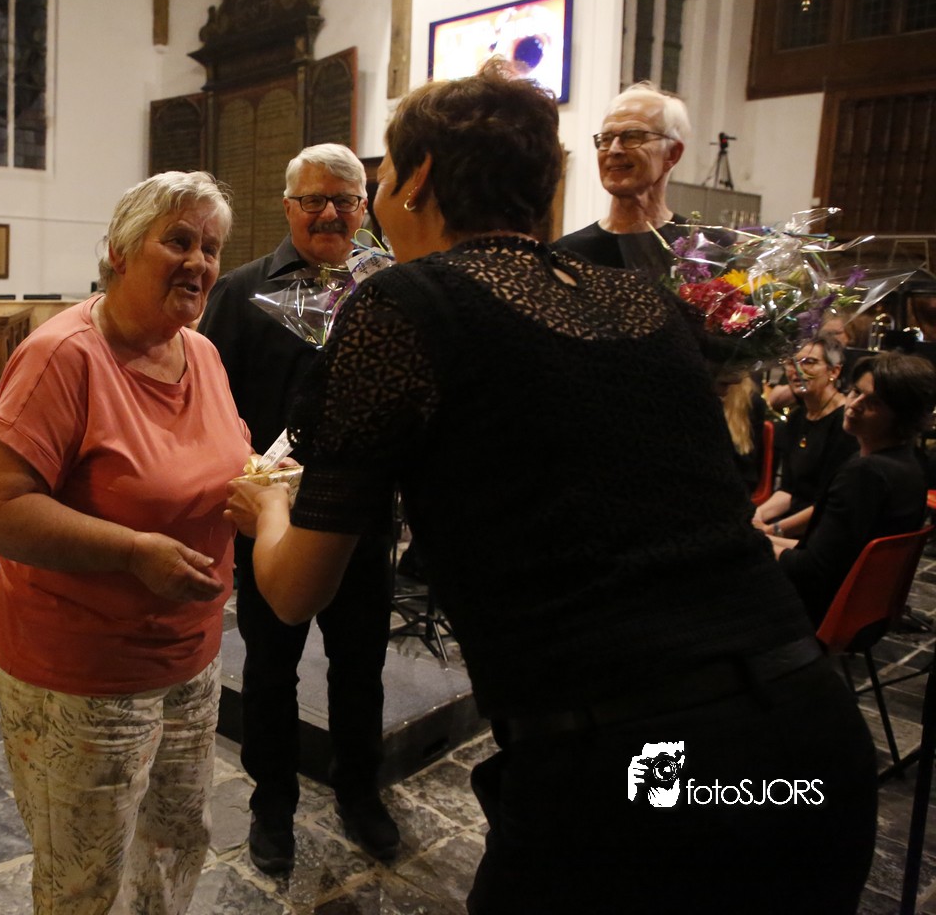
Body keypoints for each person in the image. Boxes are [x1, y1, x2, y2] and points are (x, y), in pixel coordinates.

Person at [226, 66, 877, 913]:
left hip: (632, 770)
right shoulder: (645, 303)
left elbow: (294, 589)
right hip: (808, 729)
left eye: (381, 173)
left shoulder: (403, 304)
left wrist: (269, 505)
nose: (375, 194)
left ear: (419, 177)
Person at [0, 171, 249, 915]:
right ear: (120, 251)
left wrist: (261, 488)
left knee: (175, 843)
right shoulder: (65, 355)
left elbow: (220, 459)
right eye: (178, 241)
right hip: (84, 672)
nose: (199, 262)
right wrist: (131, 551)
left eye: (211, 248)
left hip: (189, 654)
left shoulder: (201, 353)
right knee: (84, 878)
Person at [198, 142, 399, 873]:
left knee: (360, 664)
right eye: (314, 199)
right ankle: (272, 804)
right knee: (270, 668)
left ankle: (359, 791)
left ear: (364, 207)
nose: (329, 213)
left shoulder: (389, 288)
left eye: (345, 199)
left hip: (361, 518)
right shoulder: (243, 291)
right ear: (288, 206)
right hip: (271, 519)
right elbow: (209, 401)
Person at [773, 352, 936, 623]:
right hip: (862, 612)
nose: (854, 405)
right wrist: (763, 535)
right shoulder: (908, 464)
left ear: (902, 415)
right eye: (856, 392)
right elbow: (826, 552)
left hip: (816, 611)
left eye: (873, 402)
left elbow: (810, 570)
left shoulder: (866, 473)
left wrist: (754, 542)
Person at [553, 82, 690, 274]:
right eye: (606, 139)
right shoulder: (567, 254)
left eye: (633, 136)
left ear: (672, 154)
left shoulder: (703, 250)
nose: (614, 150)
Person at [753, 332, 857, 540]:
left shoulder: (846, 422)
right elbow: (788, 491)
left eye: (809, 362)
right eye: (792, 363)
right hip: (793, 523)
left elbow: (828, 504)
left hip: (826, 531)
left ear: (834, 371)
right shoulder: (797, 417)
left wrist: (773, 530)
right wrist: (756, 516)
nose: (797, 371)